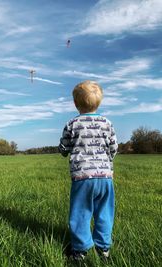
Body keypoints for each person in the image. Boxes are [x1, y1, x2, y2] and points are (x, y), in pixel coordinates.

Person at [59, 80, 118, 262]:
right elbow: (114, 147)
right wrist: (107, 163)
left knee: (81, 213)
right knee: (104, 212)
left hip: (82, 177)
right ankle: (103, 248)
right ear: (99, 102)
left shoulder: (72, 124)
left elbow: (64, 147)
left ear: (76, 104)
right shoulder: (107, 123)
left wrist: (64, 150)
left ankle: (81, 250)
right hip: (105, 177)